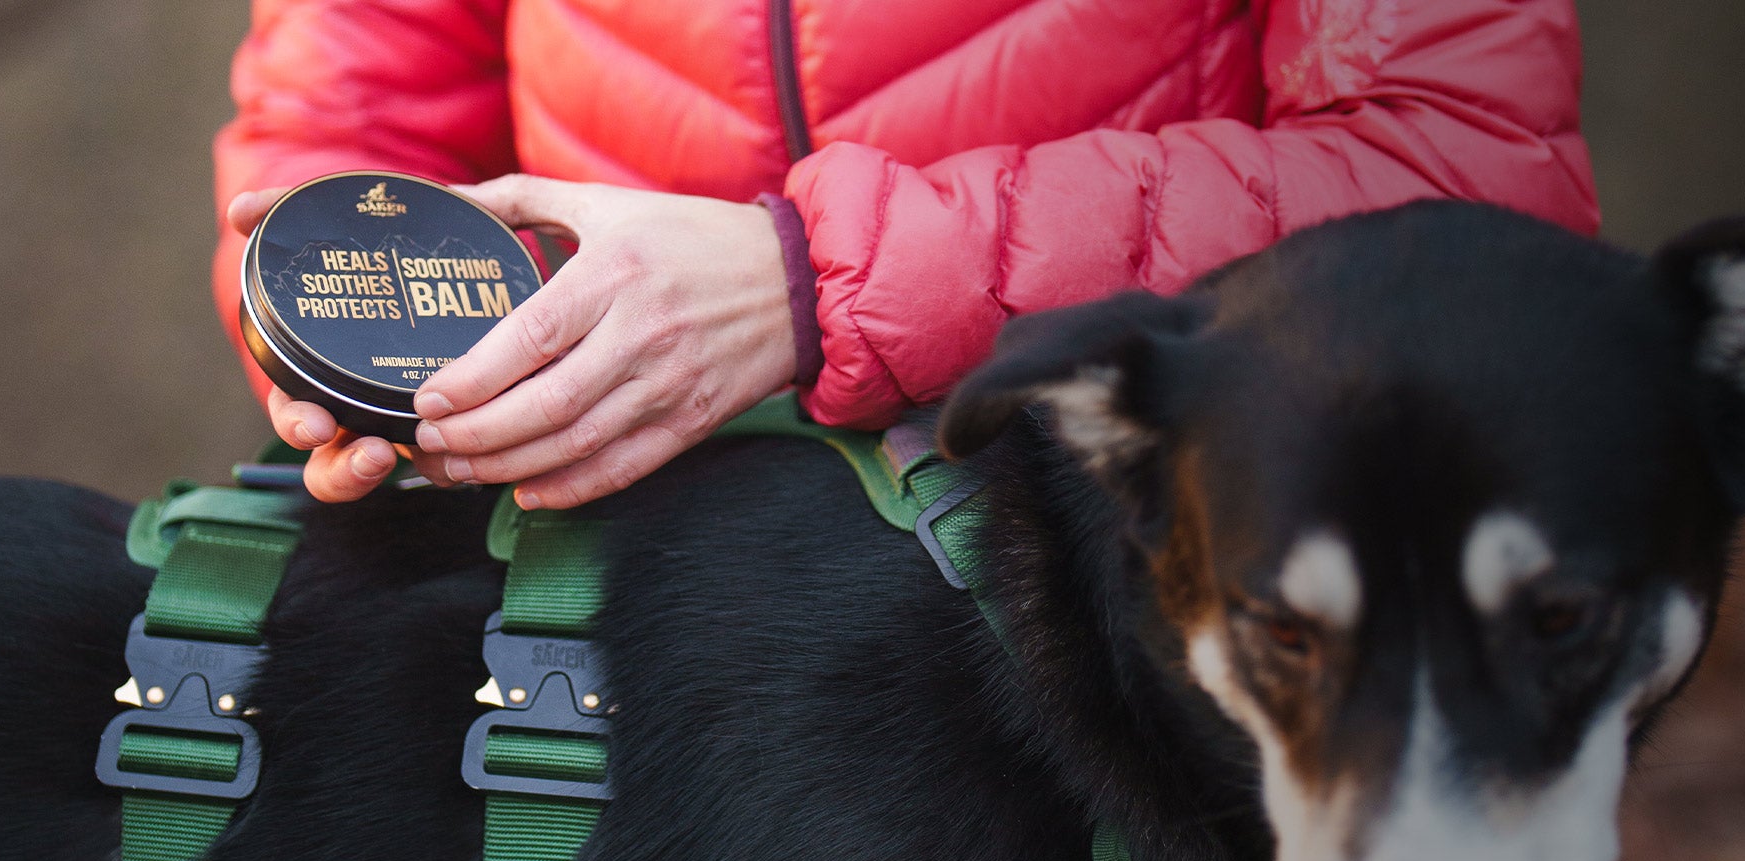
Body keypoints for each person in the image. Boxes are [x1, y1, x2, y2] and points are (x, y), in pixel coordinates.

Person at [212, 0, 1597, 507]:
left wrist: (812, 281)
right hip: (613, 573)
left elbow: (1462, 179)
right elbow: (341, 117)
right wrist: (342, 338)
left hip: (1123, 567)